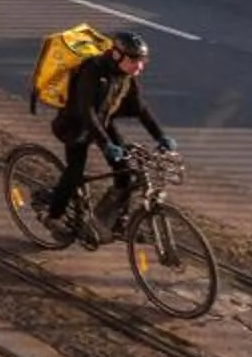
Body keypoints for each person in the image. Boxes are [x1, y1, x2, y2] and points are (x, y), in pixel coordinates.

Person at [43, 30, 175, 240]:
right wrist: (106, 144)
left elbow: (140, 108)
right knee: (75, 171)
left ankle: (114, 222)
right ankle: (54, 216)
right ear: (116, 55)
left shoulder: (126, 75)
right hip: (76, 125)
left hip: (102, 121)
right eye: (134, 60)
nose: (139, 66)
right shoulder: (92, 71)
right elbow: (86, 112)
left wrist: (160, 136)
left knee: (125, 173)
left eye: (142, 61)